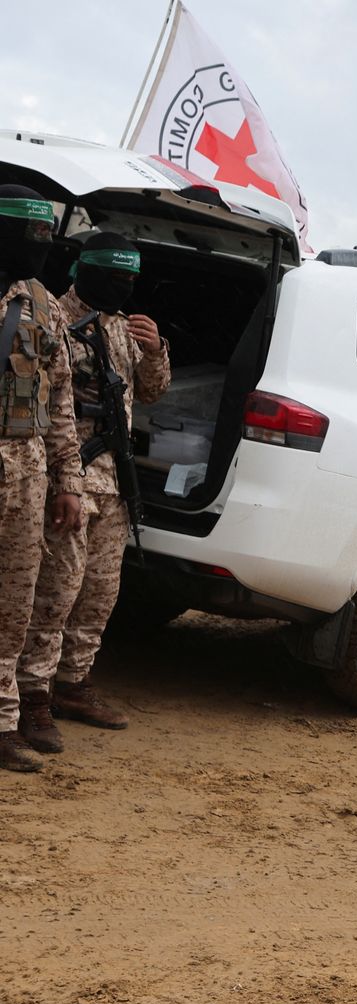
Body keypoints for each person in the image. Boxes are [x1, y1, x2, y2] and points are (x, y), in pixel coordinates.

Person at [16, 233, 170, 753]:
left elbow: (150, 392)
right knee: (54, 594)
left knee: (100, 593)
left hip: (114, 484)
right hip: (70, 481)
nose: (123, 287)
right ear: (86, 269)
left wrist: (154, 351)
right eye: (115, 276)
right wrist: (67, 480)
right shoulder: (52, 316)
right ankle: (33, 694)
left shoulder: (121, 327)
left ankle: (74, 684)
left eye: (131, 279)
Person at [0, 184, 85, 772]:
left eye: (44, 238)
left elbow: (61, 406)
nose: (38, 250)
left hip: (24, 467)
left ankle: (3, 721)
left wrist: (68, 482)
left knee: (14, 601)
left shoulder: (44, 304)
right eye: (26, 237)